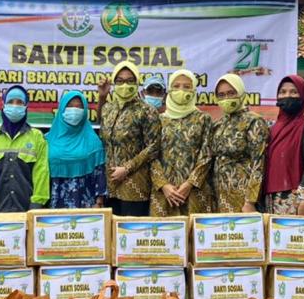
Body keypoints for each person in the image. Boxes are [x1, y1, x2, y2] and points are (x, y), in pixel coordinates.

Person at [99, 61, 161, 216]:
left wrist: (126, 169)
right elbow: (102, 128)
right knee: (111, 233)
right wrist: (102, 97)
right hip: (111, 186)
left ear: (137, 83)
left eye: (130, 80)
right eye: (120, 81)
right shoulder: (109, 108)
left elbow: (154, 147)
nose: (125, 85)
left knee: (131, 234)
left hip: (135, 186)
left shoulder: (147, 111)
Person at [150, 70, 214, 216]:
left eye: (187, 86)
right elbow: (151, 156)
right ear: (170, 91)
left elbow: (207, 155)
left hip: (195, 192)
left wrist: (189, 184)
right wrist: (164, 185)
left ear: (194, 90)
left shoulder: (204, 119)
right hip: (164, 194)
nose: (181, 90)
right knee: (162, 236)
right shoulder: (158, 120)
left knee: (195, 235)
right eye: (176, 86)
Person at [0, 85, 49, 213]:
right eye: (11, 102)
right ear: (3, 105)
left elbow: (41, 173)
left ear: (26, 106)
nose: (15, 106)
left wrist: (37, 204)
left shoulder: (37, 137)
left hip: (27, 209)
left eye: (20, 102)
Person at [263, 74, 304, 215]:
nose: (287, 96)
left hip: (298, 200)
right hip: (273, 199)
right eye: (282, 92)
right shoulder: (273, 128)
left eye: (293, 92)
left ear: (302, 96)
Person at [210, 73, 268, 212]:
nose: (226, 98)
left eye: (231, 93)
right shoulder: (219, 124)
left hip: (243, 198)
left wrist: (250, 201)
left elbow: (258, 163)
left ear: (241, 93)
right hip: (219, 196)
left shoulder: (254, 121)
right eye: (221, 95)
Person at [45, 90, 106, 209]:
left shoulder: (93, 141)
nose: (74, 110)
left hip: (85, 207)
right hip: (54, 206)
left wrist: (99, 203)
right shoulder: (46, 140)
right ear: (62, 109)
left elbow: (100, 174)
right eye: (70, 106)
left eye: (79, 107)